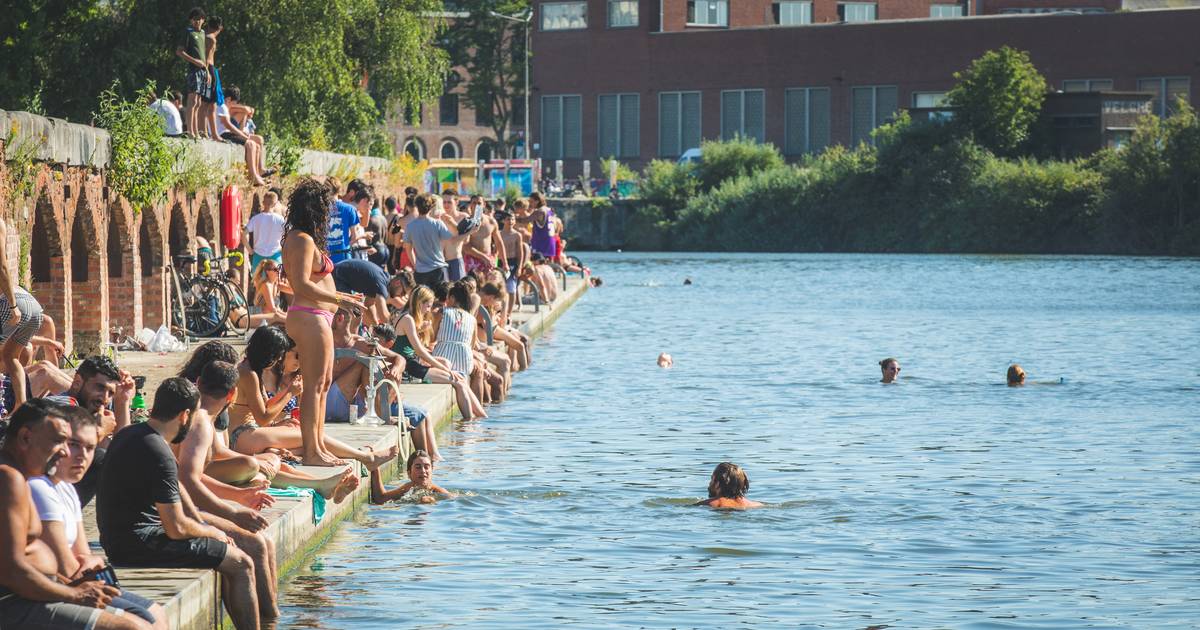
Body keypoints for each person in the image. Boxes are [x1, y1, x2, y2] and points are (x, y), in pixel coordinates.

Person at [96, 378, 261, 630]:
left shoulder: (133, 434)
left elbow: (182, 503)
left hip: (120, 540)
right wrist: (213, 532)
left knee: (229, 551)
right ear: (185, 415)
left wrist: (211, 522)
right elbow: (177, 528)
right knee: (241, 563)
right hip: (138, 544)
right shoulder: (159, 452)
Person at [0, 399, 136, 630]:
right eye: (58, 441)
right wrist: (74, 594)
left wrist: (73, 586)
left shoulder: (21, 477)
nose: (64, 452)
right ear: (25, 437)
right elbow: (11, 570)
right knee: (130, 628)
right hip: (12, 605)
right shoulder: (8, 478)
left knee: (138, 621)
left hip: (34, 594)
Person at [28, 405, 167, 628]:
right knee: (139, 624)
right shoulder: (39, 489)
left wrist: (89, 561)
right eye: (74, 445)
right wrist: (87, 562)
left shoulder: (67, 488)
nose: (82, 456)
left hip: (77, 583)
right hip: (49, 593)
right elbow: (67, 568)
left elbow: (85, 554)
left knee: (156, 612)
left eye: (90, 448)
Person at [174, 362, 282, 620]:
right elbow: (187, 480)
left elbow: (195, 475)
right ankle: (269, 622)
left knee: (265, 540)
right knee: (255, 544)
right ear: (232, 394)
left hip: (188, 502)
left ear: (199, 383)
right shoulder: (199, 422)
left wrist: (241, 496)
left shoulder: (203, 419)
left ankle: (274, 616)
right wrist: (232, 512)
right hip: (180, 509)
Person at [226, 326, 396, 477]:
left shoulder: (251, 369)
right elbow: (263, 417)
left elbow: (264, 409)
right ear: (268, 352)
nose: (279, 361)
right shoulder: (248, 374)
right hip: (241, 436)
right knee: (310, 436)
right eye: (278, 356)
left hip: (249, 435)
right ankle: (367, 457)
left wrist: (285, 401)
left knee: (302, 441)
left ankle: (349, 454)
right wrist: (290, 393)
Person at [282, 178, 364, 467]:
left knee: (323, 383)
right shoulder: (301, 240)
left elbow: (315, 283)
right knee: (315, 385)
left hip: (317, 316)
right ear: (314, 208)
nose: (328, 214)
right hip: (309, 317)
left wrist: (343, 298)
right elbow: (301, 284)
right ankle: (312, 452)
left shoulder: (301, 238)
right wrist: (340, 301)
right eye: (325, 207)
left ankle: (318, 445)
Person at [388, 286, 486, 421]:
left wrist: (421, 329)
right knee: (459, 381)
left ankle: (479, 416)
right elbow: (420, 351)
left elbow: (413, 346)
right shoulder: (408, 319)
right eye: (427, 306)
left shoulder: (407, 317)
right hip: (409, 368)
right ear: (419, 303)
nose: (429, 310)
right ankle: (469, 422)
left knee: (449, 366)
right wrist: (445, 370)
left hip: (411, 361)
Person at [52, 356, 135, 507]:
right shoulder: (62, 405)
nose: (104, 398)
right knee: (101, 458)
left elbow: (124, 454)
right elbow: (56, 452)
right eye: (99, 388)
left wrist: (122, 401)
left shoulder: (89, 411)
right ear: (77, 382)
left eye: (111, 393)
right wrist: (100, 431)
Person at [0, 214, 47, 410]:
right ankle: (21, 405)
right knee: (11, 357)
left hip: (11, 302)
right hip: (32, 304)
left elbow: (2, 267)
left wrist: (12, 306)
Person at [403, 193, 457, 287]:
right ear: (431, 206)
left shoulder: (410, 226)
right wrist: (452, 223)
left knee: (423, 300)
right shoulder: (437, 223)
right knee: (442, 299)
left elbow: (408, 249)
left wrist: (415, 265)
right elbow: (451, 239)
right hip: (438, 269)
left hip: (421, 271)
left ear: (417, 206)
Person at [369, 450, 453, 505]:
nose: (423, 471)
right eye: (418, 467)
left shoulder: (439, 492)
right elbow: (380, 498)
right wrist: (375, 467)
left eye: (426, 467)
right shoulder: (407, 488)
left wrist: (433, 501)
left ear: (432, 470)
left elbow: (453, 500)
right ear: (409, 473)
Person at [175, 7, 208, 138]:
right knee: (192, 100)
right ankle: (190, 131)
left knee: (199, 102)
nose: (196, 22)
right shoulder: (188, 33)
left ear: (203, 20)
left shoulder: (203, 34)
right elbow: (179, 51)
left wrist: (207, 71)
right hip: (193, 70)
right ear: (191, 21)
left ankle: (196, 132)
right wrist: (195, 61)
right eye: (194, 20)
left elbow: (204, 55)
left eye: (199, 19)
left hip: (203, 71)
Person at [332, 258, 390, 326]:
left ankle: (349, 333)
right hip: (338, 276)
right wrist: (394, 330)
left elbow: (369, 305)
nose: (401, 295)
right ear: (398, 283)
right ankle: (345, 334)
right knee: (353, 313)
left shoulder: (382, 281)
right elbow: (383, 316)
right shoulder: (382, 285)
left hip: (339, 272)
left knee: (356, 313)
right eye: (402, 292)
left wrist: (375, 325)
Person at [245, 190, 286, 270]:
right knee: (276, 281)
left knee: (257, 281)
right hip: (275, 255)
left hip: (258, 256)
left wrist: (249, 250)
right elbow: (287, 236)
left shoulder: (255, 219)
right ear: (275, 204)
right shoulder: (280, 220)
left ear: (263, 203)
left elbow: (243, 234)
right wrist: (283, 249)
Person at [696, 462, 763, 509]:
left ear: (717, 484)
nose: (710, 483)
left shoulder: (709, 504)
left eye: (712, 479)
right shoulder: (756, 505)